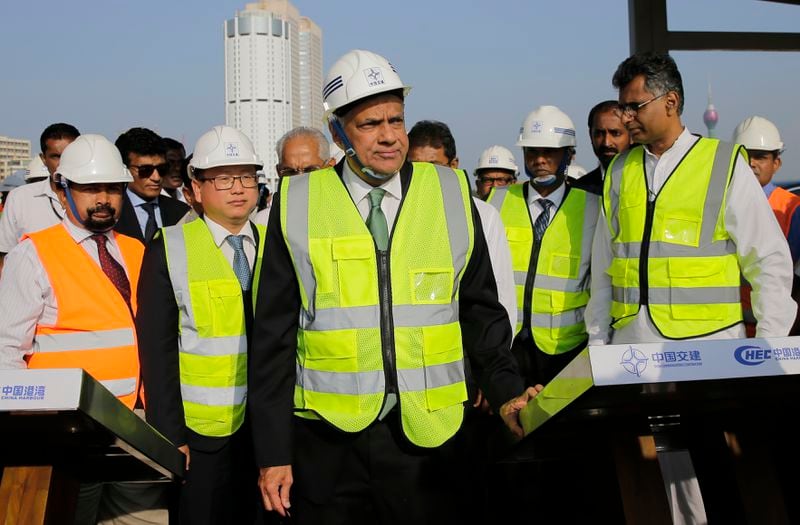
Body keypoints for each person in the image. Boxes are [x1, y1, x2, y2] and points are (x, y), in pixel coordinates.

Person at [249, 49, 538, 525]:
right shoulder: (295, 203)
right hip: (329, 445)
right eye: (370, 124)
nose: (389, 136)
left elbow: (482, 313)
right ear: (339, 133)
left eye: (395, 120)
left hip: (433, 443)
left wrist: (507, 391)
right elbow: (273, 339)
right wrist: (274, 453)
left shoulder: (450, 194)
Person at [587, 51, 796, 524]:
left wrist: (768, 352)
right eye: (623, 107)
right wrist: (600, 345)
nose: (625, 117)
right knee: (647, 484)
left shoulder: (723, 165)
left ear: (672, 101)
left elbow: (768, 262)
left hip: (710, 356)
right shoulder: (620, 172)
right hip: (633, 355)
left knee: (719, 474)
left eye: (634, 106)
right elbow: (605, 265)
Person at [0, 134, 167, 523]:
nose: (103, 199)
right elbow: (6, 349)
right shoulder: (34, 253)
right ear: (63, 191)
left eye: (112, 188)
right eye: (91, 188)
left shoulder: (136, 250)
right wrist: (26, 436)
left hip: (137, 426)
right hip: (67, 431)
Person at [137, 125, 266, 525]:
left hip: (267, 429)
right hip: (202, 433)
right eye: (224, 178)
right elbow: (157, 352)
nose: (238, 188)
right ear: (196, 185)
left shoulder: (273, 243)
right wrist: (170, 434)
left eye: (246, 176)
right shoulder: (169, 247)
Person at [407, 120, 517, 334]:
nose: (425, 175)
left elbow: (501, 295)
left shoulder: (483, 216)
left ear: (453, 165)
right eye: (415, 166)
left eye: (434, 166)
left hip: (466, 350)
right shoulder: (396, 213)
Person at [0, 123, 79, 272]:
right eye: (56, 156)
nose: (63, 163)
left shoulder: (97, 198)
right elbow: (5, 256)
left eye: (69, 155)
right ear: (43, 159)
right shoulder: (20, 198)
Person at [114, 127, 190, 244]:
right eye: (145, 170)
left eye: (162, 169)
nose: (156, 177)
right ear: (125, 169)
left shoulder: (182, 213)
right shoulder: (111, 213)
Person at [254, 126, 334, 225]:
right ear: (279, 172)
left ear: (330, 167)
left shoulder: (349, 210)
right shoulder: (264, 221)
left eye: (310, 170)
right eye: (290, 172)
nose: (300, 178)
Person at [572, 100, 631, 195]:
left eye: (615, 133)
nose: (606, 143)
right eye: (599, 134)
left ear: (631, 135)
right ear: (590, 136)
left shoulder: (648, 180)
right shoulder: (579, 190)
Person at [162, 137, 188, 203]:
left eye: (181, 162)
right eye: (171, 162)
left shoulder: (189, 198)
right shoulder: (149, 202)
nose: (178, 168)